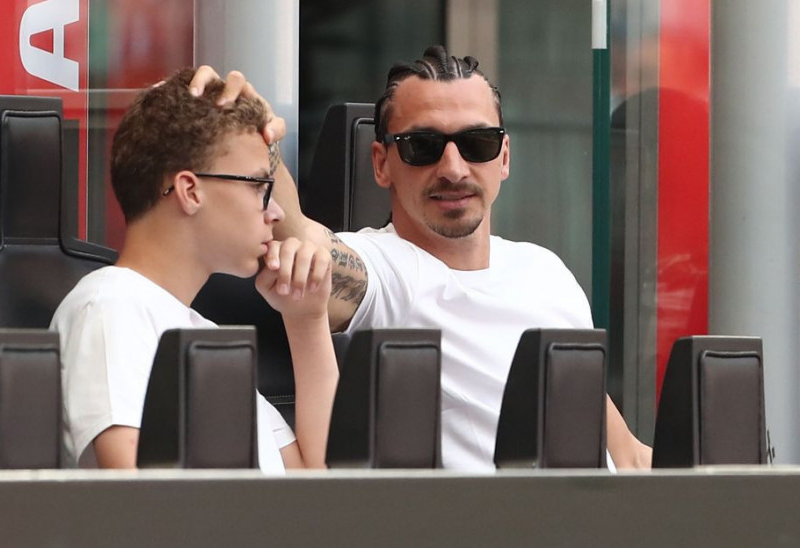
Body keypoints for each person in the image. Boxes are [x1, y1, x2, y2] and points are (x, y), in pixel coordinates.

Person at [190, 45, 652, 471]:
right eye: (423, 147)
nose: (453, 168)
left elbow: (626, 454)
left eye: (478, 143)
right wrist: (253, 132)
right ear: (381, 163)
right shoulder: (386, 268)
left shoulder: (547, 271)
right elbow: (303, 241)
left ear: (504, 157)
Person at [50, 68, 337, 472]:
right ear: (190, 191)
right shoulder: (111, 308)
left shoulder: (200, 332)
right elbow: (138, 494)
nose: (276, 213)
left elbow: (321, 486)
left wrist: (307, 320)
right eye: (259, 187)